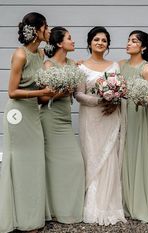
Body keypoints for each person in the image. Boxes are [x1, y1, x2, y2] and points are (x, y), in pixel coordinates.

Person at [0, 12, 52, 233]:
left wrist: (53, 92)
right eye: (46, 27)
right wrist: (42, 91)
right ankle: (20, 219)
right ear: (37, 30)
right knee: (20, 164)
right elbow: (12, 92)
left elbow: (41, 94)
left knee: (34, 162)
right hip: (17, 115)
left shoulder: (40, 54)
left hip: (32, 112)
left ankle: (32, 215)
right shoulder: (20, 55)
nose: (49, 31)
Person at [74, 26, 126, 225]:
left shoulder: (114, 66)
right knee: (93, 157)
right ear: (89, 43)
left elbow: (120, 90)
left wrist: (114, 102)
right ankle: (92, 206)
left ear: (108, 45)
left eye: (104, 40)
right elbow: (78, 95)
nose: (100, 43)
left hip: (110, 116)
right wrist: (98, 101)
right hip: (91, 116)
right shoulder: (81, 68)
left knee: (109, 157)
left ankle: (110, 206)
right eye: (96, 39)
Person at [39, 27, 85, 224]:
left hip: (65, 121)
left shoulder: (73, 65)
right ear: (59, 43)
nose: (73, 41)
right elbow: (41, 98)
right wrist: (64, 91)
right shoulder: (48, 66)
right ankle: (53, 210)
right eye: (69, 38)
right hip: (50, 118)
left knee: (75, 163)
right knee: (52, 166)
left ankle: (68, 208)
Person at [120, 30, 148, 222]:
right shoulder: (121, 65)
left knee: (139, 154)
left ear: (143, 47)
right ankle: (125, 201)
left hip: (140, 115)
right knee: (125, 154)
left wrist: (143, 100)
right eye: (129, 40)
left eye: (134, 41)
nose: (129, 43)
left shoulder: (147, 69)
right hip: (122, 114)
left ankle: (141, 202)